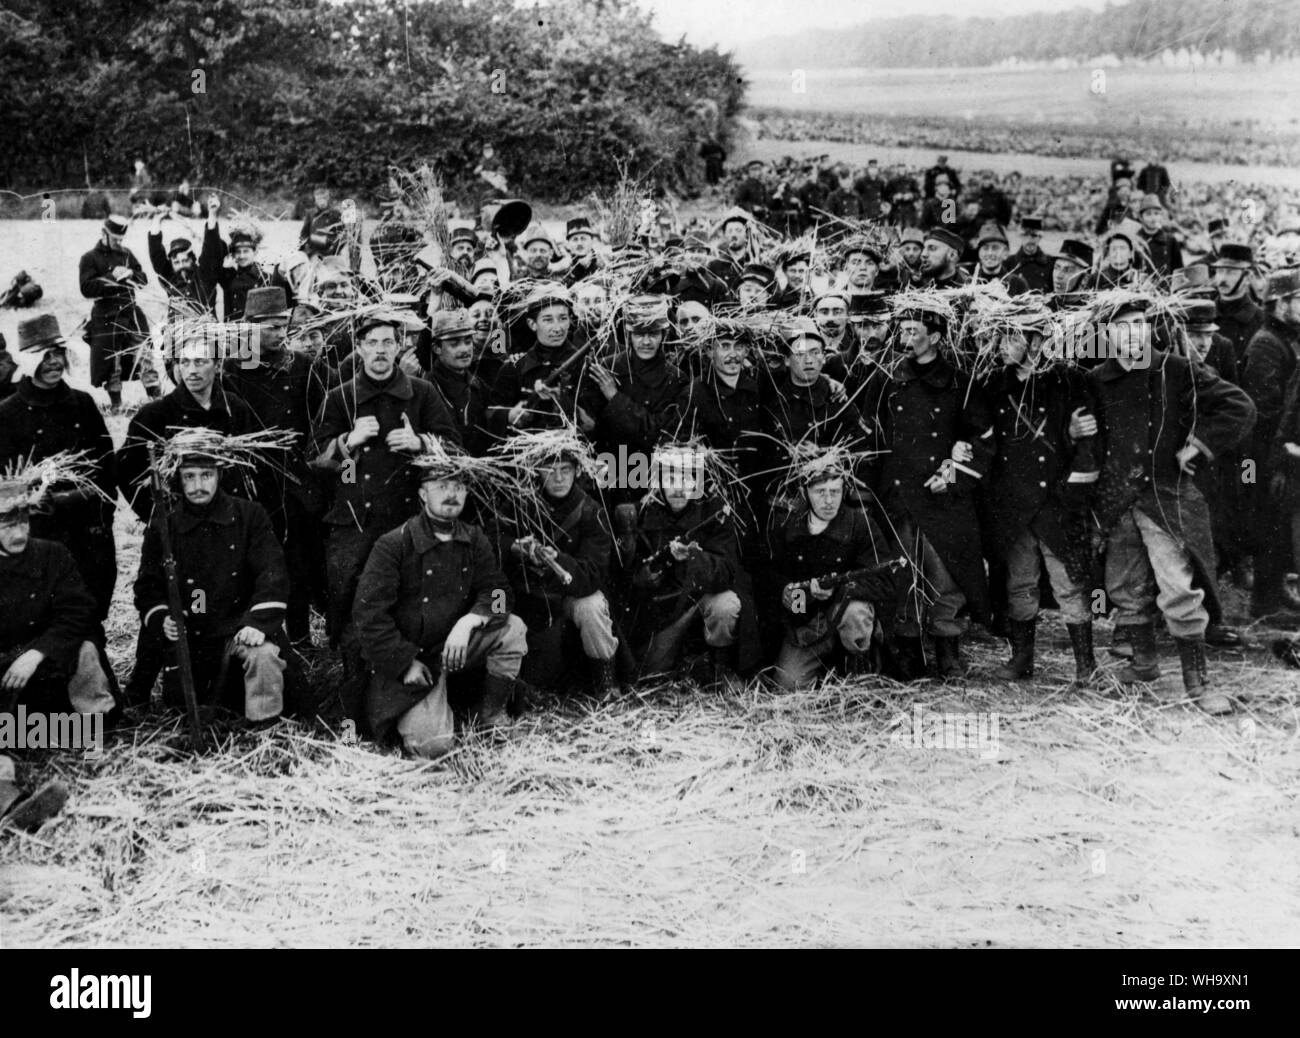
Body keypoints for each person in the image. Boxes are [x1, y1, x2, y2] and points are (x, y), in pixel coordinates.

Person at [1088, 298, 1257, 713]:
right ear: (1107, 336)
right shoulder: (1096, 379)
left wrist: (1197, 445)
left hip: (1167, 497)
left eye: (1140, 324)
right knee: (1125, 586)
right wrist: (1077, 429)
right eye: (1123, 327)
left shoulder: (1175, 369)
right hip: (1116, 501)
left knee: (1178, 587)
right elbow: (1085, 435)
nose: (1134, 334)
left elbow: (1239, 406)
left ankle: (1197, 683)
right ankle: (1143, 663)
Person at [311, 312, 461, 715]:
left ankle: (407, 692)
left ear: (400, 347)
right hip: (353, 521)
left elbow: (456, 451)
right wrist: (347, 443)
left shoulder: (422, 393)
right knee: (350, 604)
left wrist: (421, 443)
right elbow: (316, 460)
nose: (380, 351)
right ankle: (355, 696)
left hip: (408, 518)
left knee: (408, 599)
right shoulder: (340, 396)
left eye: (388, 343)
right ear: (358, 348)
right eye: (372, 343)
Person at [353, 457, 528, 757]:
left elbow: (498, 591)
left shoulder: (473, 538)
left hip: (457, 647)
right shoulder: (394, 544)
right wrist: (404, 662)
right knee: (433, 748)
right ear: (423, 494)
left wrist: (473, 619)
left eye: (459, 487)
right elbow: (368, 615)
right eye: (442, 486)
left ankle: (490, 716)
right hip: (416, 661)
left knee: (513, 628)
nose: (452, 494)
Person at [866, 300, 993, 680]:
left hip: (944, 497)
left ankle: (947, 647)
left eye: (913, 331)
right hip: (901, 494)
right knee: (903, 572)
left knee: (946, 575)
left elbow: (982, 441)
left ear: (935, 338)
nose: (904, 338)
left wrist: (953, 475)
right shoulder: (888, 380)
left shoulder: (961, 382)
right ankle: (907, 648)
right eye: (902, 330)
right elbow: (874, 436)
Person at [133, 433, 292, 721]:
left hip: (239, 626)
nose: (197, 486)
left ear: (219, 475)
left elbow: (273, 573)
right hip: (191, 632)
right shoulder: (164, 526)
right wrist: (163, 618)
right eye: (189, 477)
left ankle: (266, 725)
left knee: (264, 655)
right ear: (178, 480)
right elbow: (148, 587)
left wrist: (257, 623)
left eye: (206, 475)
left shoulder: (249, 516)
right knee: (183, 709)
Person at [982, 315, 1100, 685]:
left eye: (1010, 336)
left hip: (1056, 501)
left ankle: (1086, 666)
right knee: (1020, 583)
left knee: (1069, 584)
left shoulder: (1068, 380)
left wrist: (1072, 490)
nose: (1002, 344)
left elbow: (1088, 444)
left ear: (1035, 341)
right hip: (1013, 504)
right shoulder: (993, 384)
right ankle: (1022, 660)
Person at [222, 287, 333, 645]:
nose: (279, 333)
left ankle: (300, 639)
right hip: (254, 483)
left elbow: (322, 418)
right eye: (269, 327)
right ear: (249, 327)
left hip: (297, 483)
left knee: (300, 563)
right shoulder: (232, 369)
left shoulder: (302, 366)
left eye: (282, 325)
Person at [0, 316, 118, 625]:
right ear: (28, 361)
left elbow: (108, 469)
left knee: (91, 612)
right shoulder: (8, 413)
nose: (53, 362)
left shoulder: (83, 404)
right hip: (38, 536)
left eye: (58, 353)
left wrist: (96, 510)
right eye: (45, 355)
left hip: (88, 531)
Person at [0, 461, 117, 736]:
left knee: (86, 649)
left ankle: (93, 737)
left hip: (48, 657)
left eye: (24, 521)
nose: (19, 533)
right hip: (4, 664)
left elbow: (78, 612)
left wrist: (36, 653)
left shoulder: (53, 555)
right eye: (6, 525)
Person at [502, 434, 619, 698]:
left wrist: (559, 561)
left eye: (565, 470)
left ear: (577, 471)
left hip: (569, 595)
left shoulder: (591, 511)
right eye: (550, 470)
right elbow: (491, 537)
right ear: (537, 472)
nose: (558, 478)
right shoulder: (521, 503)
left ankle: (606, 682)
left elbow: (594, 574)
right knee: (495, 607)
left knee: (593, 606)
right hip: (526, 596)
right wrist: (515, 547)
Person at [623, 450, 748, 685]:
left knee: (726, 605)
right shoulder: (643, 513)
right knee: (651, 674)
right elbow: (628, 575)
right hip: (667, 609)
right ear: (659, 483)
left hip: (702, 597)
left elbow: (727, 570)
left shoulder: (714, 512)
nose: (678, 489)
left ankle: (722, 669)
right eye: (670, 480)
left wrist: (693, 558)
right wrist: (645, 576)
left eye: (686, 479)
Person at [771, 460, 898, 689]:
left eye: (835, 491)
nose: (829, 501)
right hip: (809, 624)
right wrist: (792, 595)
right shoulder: (789, 527)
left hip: (845, 616)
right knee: (789, 685)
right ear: (804, 492)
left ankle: (859, 670)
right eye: (820, 492)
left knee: (855, 611)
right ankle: (825, 669)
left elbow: (886, 582)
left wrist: (840, 589)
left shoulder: (860, 525)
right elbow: (775, 573)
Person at [1241, 269, 1300, 619]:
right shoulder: (1266, 343)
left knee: (1277, 526)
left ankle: (1274, 590)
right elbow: (1264, 406)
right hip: (1264, 452)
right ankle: (1263, 602)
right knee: (1267, 523)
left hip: (1278, 450)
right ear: (1279, 304)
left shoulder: (1284, 337)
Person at [78, 214, 159, 411]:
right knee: (112, 362)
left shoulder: (127, 254)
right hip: (106, 316)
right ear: (104, 234)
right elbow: (86, 288)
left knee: (145, 354)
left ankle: (155, 398)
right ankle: (116, 403)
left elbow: (143, 278)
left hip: (131, 313)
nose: (119, 243)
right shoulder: (89, 258)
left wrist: (132, 274)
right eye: (115, 239)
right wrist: (110, 277)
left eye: (121, 239)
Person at [200, 195, 293, 321]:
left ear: (255, 252)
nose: (242, 256)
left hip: (258, 336)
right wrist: (212, 215)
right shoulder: (228, 277)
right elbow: (211, 254)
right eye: (238, 252)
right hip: (233, 336)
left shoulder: (266, 278)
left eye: (246, 251)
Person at [146, 210, 217, 317]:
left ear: (193, 260)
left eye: (185, 261)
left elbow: (210, 249)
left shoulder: (203, 276)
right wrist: (157, 219)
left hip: (204, 330)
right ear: (171, 264)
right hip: (177, 331)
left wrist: (212, 214)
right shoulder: (170, 278)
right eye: (176, 262)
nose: (181, 266)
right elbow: (156, 253)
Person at [1212, 244, 1263, 366]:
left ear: (1248, 277)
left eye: (1230, 272)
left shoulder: (1260, 320)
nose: (1222, 279)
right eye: (1219, 271)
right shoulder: (1203, 314)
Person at [1136, 194, 1183, 278]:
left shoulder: (1170, 240)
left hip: (1166, 287)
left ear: (1161, 216)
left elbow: (1178, 269)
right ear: (1141, 217)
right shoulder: (1136, 241)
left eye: (1156, 214)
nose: (1153, 218)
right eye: (1148, 214)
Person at [1006, 217, 1054, 294]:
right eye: (1026, 235)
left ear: (1040, 237)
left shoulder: (1050, 263)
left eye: (1034, 236)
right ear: (1020, 236)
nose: (1029, 240)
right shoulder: (1009, 262)